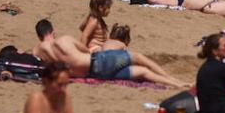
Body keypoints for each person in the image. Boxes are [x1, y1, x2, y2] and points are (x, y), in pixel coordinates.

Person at [32, 21, 187, 88]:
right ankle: (174, 81)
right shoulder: (64, 39)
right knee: (138, 58)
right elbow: (85, 51)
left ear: (39, 36)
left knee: (143, 73)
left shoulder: (37, 50)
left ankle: (174, 83)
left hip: (94, 74)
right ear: (53, 32)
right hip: (97, 63)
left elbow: (36, 64)